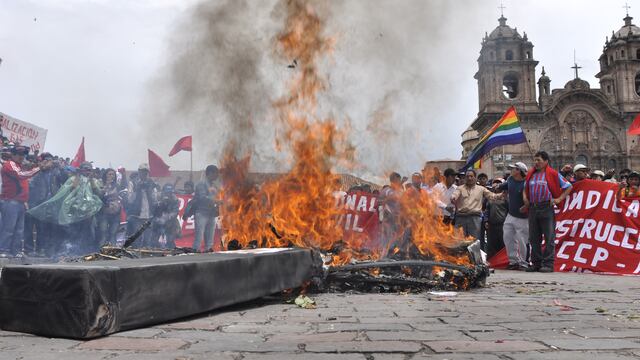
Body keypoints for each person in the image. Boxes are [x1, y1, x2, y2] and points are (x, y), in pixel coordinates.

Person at [523, 151, 572, 273]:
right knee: (534, 238)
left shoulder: (553, 174)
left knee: (549, 237)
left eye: (538, 160)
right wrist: (525, 198)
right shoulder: (531, 174)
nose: (536, 162)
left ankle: (548, 264)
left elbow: (568, 186)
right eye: (535, 160)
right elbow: (525, 188)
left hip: (546, 208)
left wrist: (559, 199)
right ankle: (536, 263)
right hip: (533, 208)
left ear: (546, 161)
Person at [0, 146, 45, 256]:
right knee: (8, 228)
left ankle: (15, 251)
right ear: (13, 155)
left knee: (19, 230)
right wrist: (39, 168)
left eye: (23, 154)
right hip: (10, 201)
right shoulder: (9, 165)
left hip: (20, 202)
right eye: (19, 154)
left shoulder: (19, 166)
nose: (21, 156)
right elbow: (20, 175)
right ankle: (3, 250)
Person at [24, 152, 65, 256]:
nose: (48, 163)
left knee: (42, 228)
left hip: (47, 205)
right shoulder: (34, 169)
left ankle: (40, 249)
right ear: (40, 161)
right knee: (29, 227)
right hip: (33, 203)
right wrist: (39, 167)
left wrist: (61, 167)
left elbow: (64, 179)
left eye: (49, 160)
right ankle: (28, 249)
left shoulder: (55, 172)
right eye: (45, 160)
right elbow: (29, 183)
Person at [450, 169, 504, 240]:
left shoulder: (481, 189)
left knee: (474, 242)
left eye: (471, 176)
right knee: (459, 242)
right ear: (465, 178)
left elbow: (492, 196)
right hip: (461, 218)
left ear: (475, 178)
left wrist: (502, 194)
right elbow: (455, 195)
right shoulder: (460, 188)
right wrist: (453, 198)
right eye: (467, 176)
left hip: (475, 218)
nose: (469, 178)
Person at [497, 162, 530, 270]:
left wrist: (526, 206)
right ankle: (513, 261)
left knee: (522, 241)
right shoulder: (510, 179)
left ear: (519, 171)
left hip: (523, 218)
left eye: (513, 169)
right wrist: (498, 187)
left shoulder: (527, 183)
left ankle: (524, 262)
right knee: (508, 237)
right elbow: (504, 186)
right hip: (510, 215)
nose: (511, 170)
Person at [126, 163, 158, 248]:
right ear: (139, 172)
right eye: (142, 171)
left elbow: (155, 200)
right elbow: (130, 199)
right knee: (137, 239)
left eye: (146, 172)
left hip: (148, 215)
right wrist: (137, 189)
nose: (144, 174)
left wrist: (149, 190)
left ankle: (146, 259)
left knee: (148, 239)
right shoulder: (133, 183)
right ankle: (136, 259)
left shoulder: (151, 183)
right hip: (136, 215)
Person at [192, 165, 221, 252]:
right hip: (201, 213)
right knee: (199, 238)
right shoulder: (201, 184)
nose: (217, 176)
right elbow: (202, 198)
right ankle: (194, 254)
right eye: (216, 173)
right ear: (210, 173)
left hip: (211, 214)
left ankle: (208, 255)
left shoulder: (214, 185)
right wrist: (216, 201)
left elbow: (217, 196)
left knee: (210, 240)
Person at [97, 168, 125, 246]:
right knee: (104, 233)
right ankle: (100, 251)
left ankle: (113, 251)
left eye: (113, 174)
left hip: (115, 212)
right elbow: (100, 195)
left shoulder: (116, 185)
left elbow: (122, 192)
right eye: (109, 174)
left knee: (113, 234)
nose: (111, 176)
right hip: (104, 212)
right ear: (105, 175)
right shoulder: (100, 183)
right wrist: (106, 185)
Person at [151, 184, 180, 248]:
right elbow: (153, 208)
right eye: (167, 192)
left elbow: (175, 212)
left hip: (170, 222)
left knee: (170, 239)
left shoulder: (175, 200)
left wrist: (168, 217)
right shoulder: (158, 197)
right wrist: (161, 203)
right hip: (157, 221)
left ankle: (171, 249)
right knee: (153, 239)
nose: (168, 194)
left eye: (170, 193)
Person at [485, 178, 508, 259]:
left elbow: (509, 211)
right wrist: (486, 220)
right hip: (492, 225)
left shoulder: (506, 197)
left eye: (499, 183)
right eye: (495, 183)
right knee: (491, 244)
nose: (496, 185)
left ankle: (502, 261)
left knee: (502, 244)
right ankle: (492, 261)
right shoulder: (490, 196)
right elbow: (486, 209)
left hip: (503, 224)